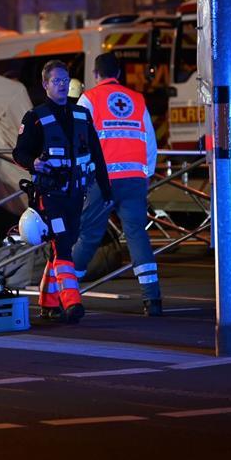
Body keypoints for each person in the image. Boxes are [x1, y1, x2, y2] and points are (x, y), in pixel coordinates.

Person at [13, 59, 111, 324]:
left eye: (65, 81)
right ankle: (72, 303)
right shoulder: (35, 117)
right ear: (45, 84)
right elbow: (19, 152)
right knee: (64, 246)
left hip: (76, 195)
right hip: (50, 195)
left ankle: (48, 302)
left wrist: (105, 187)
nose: (62, 85)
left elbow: (97, 154)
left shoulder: (81, 114)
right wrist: (33, 162)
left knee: (60, 248)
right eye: (56, 81)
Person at [72, 51, 163, 316]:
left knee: (89, 235)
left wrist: (81, 175)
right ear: (119, 74)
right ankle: (152, 298)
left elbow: (81, 140)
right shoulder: (136, 99)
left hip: (102, 180)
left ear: (95, 75)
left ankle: (64, 291)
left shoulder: (89, 98)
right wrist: (146, 175)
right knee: (137, 235)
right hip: (134, 179)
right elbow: (150, 143)